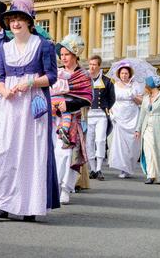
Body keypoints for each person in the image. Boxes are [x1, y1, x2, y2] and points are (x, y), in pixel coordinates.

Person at [0, 0, 60, 221]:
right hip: (9, 106)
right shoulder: (4, 49)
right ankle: (1, 203)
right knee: (4, 152)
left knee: (30, 153)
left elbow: (51, 76)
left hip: (33, 106)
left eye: (20, 20)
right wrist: (3, 89)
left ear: (29, 22)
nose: (15, 24)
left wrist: (31, 83)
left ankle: (29, 205)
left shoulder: (43, 45)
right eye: (12, 19)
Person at [52, 34, 92, 205]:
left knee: (68, 154)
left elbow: (86, 99)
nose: (63, 58)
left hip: (72, 120)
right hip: (53, 119)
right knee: (54, 153)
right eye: (61, 54)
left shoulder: (83, 76)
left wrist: (68, 105)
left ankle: (65, 187)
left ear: (75, 54)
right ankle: (53, 185)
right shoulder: (56, 73)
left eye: (66, 54)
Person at [109, 62, 143, 178]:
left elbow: (141, 102)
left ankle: (130, 167)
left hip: (132, 116)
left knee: (132, 143)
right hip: (119, 116)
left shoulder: (135, 85)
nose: (124, 75)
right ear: (119, 74)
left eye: (126, 73)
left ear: (130, 74)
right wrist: (112, 112)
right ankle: (123, 168)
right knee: (120, 144)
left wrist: (134, 96)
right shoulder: (115, 85)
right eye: (122, 73)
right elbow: (111, 101)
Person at [86, 55, 115, 181]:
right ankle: (92, 169)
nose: (91, 67)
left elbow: (112, 98)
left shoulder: (107, 81)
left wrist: (106, 107)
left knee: (100, 141)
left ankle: (99, 169)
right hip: (87, 115)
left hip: (101, 115)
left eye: (94, 64)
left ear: (99, 66)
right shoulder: (85, 79)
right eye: (90, 64)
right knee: (89, 142)